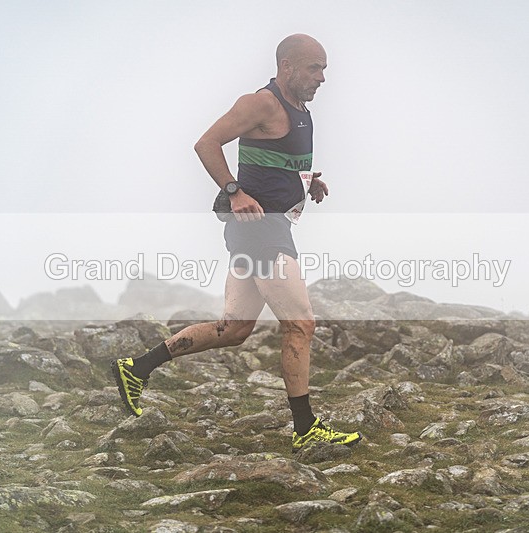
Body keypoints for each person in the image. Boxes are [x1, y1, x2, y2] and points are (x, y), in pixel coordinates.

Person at [112, 34, 362, 452]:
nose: (322, 78)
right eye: (313, 68)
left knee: (234, 329)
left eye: (324, 69)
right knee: (300, 325)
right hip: (259, 229)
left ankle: (137, 367)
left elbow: (277, 158)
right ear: (287, 66)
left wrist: (307, 181)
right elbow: (205, 143)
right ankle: (305, 428)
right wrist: (233, 190)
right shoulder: (260, 103)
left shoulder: (301, 111)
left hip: (268, 229)